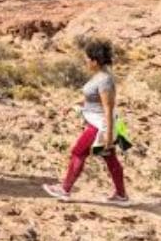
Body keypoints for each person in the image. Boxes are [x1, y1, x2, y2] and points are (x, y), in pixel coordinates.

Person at [42, 40, 128, 205]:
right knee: (110, 158)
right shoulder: (100, 77)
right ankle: (121, 195)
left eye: (87, 59)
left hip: (100, 125)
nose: (85, 62)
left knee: (78, 152)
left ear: (95, 61)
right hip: (98, 123)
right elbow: (91, 98)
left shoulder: (104, 80)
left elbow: (108, 108)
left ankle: (65, 189)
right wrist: (74, 104)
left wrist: (109, 136)